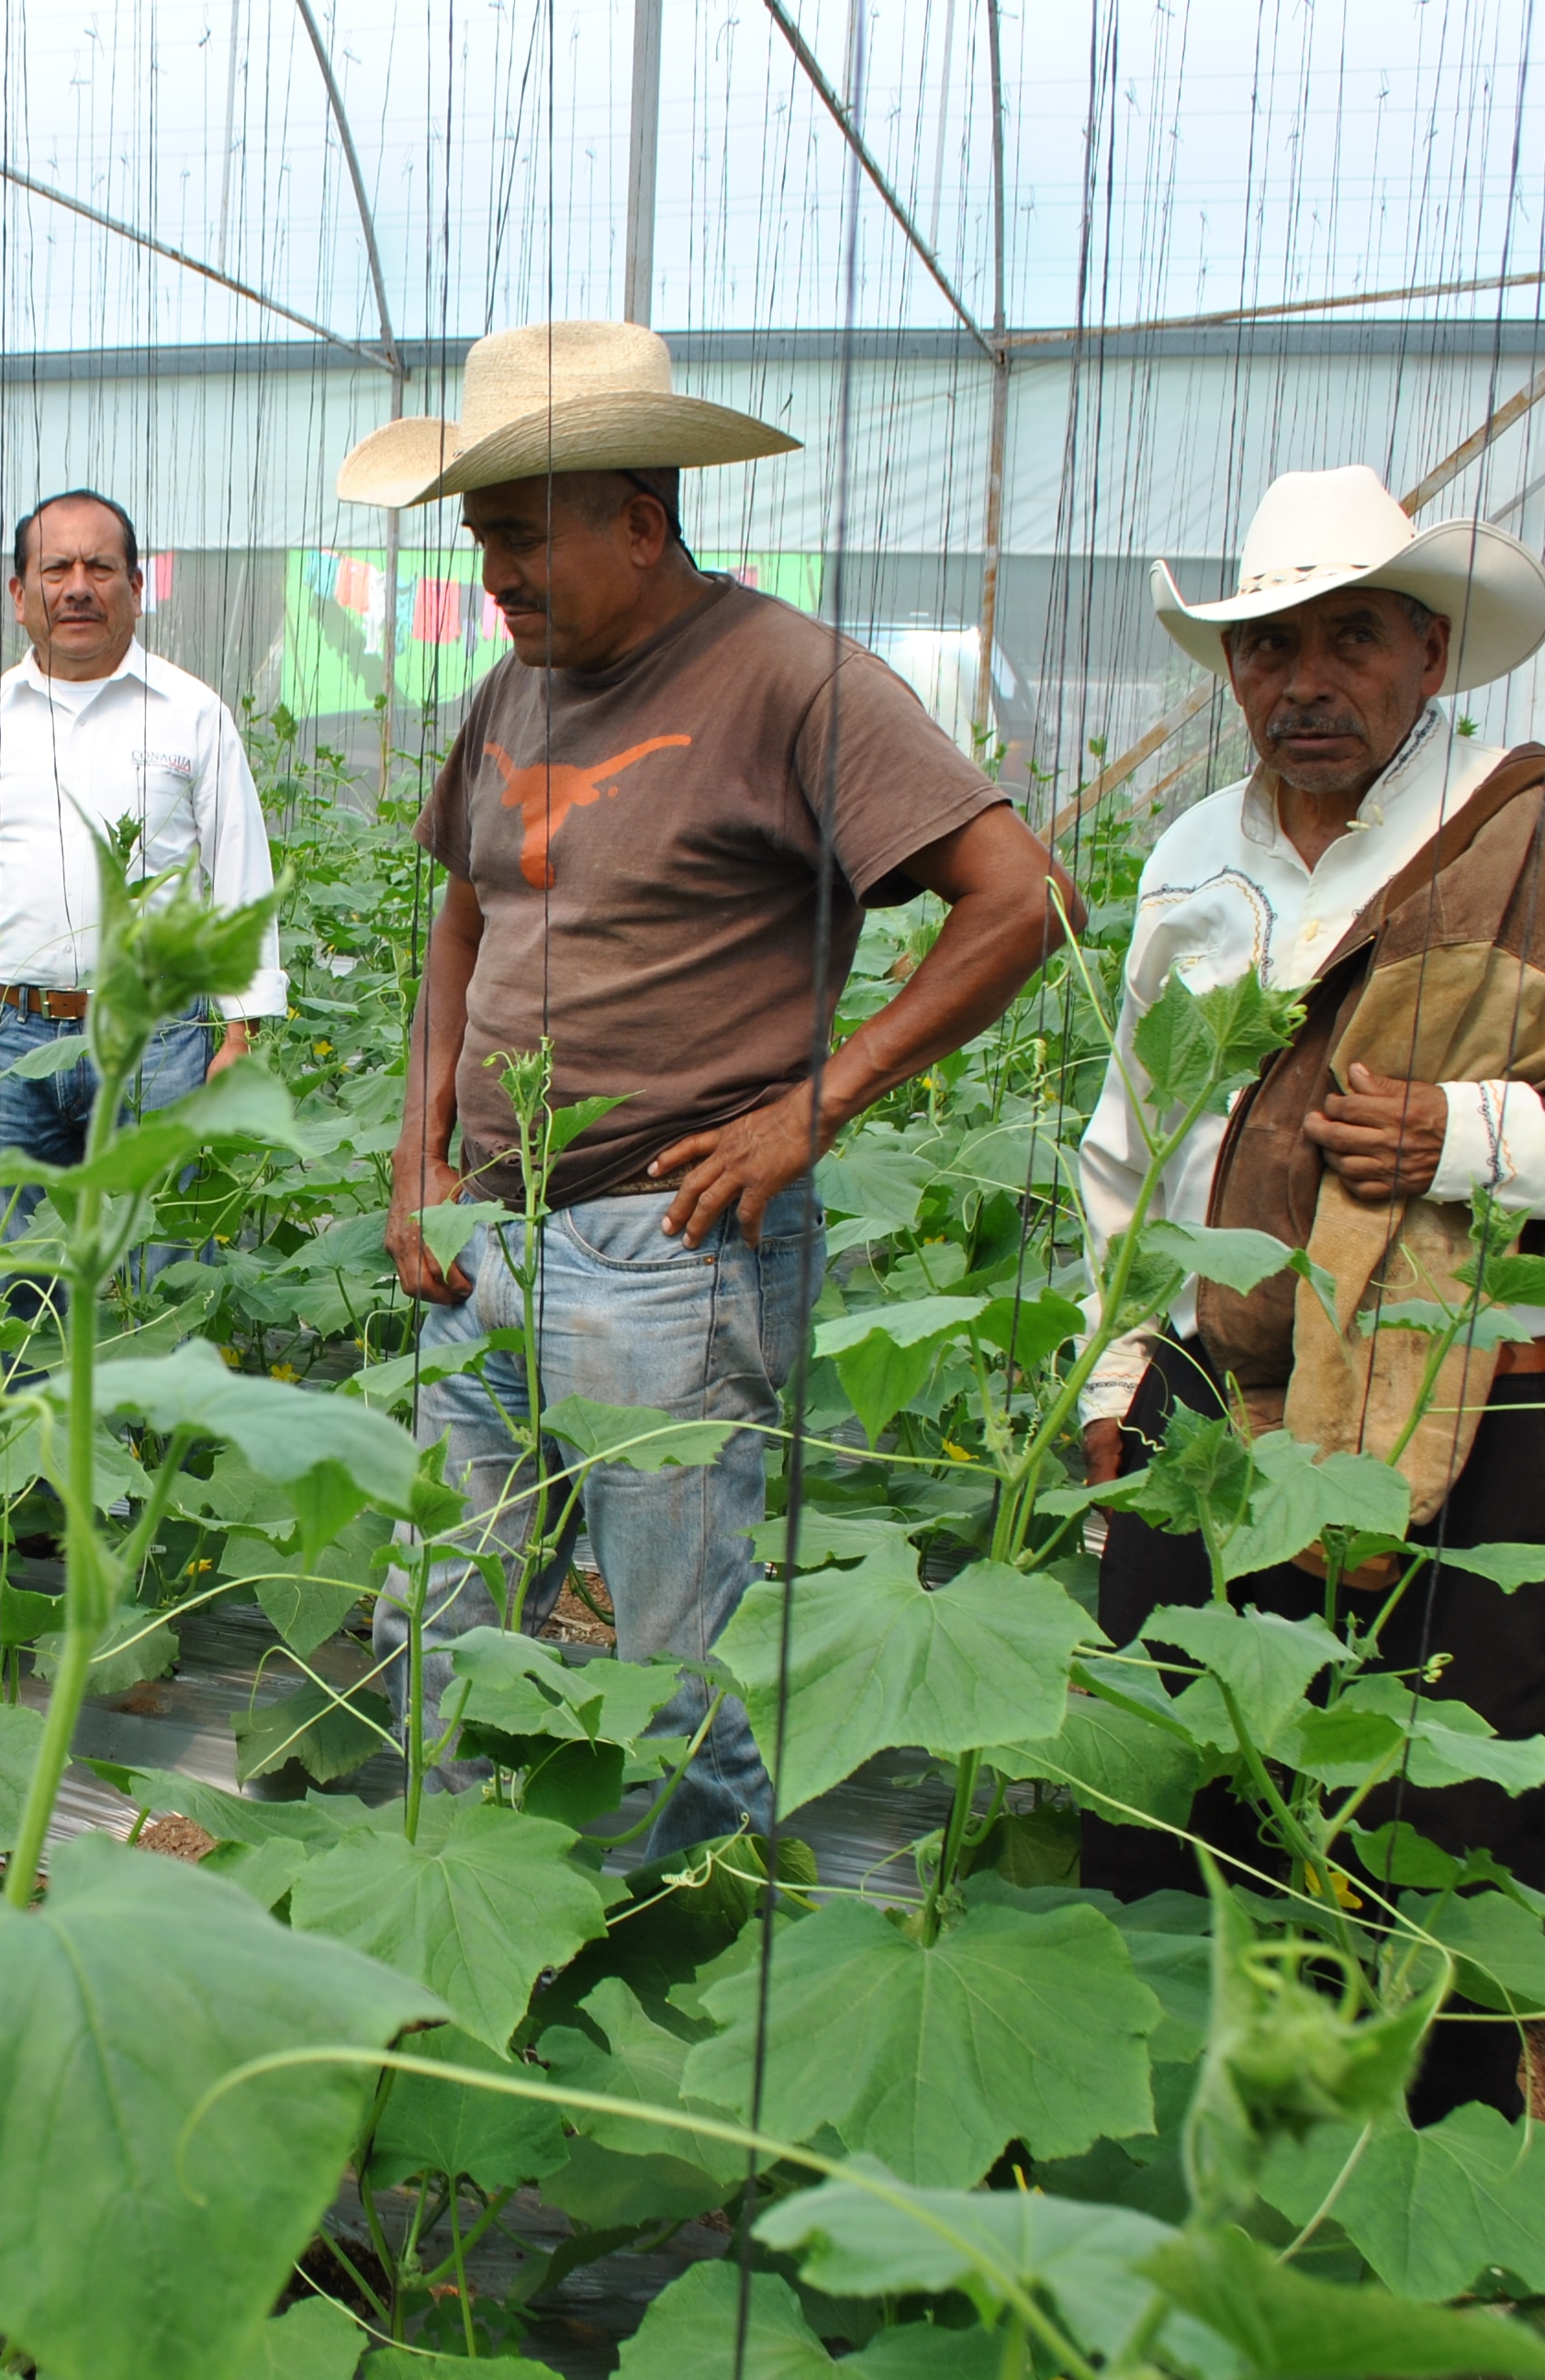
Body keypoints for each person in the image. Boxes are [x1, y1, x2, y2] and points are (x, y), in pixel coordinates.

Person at [1074, 464, 1545, 2118]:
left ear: (1428, 651)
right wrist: (1119, 1375)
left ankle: (1410, 2198)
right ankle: (1185, 2190)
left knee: (1439, 1843)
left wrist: (1476, 1134)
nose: (1302, 681)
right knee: (1173, 1805)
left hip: (1474, 1426)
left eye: (1349, 639)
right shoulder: (1192, 857)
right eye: (1266, 648)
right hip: (1211, 1411)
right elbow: (1132, 1147)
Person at [346, 320, 1079, 1854]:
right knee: (440, 1609)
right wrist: (419, 1152)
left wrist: (813, 1108)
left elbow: (1019, 896)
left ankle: (694, 1926)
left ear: (640, 516)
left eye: (524, 536)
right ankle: (454, 1909)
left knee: (678, 1657)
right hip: (489, 1232)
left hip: (667, 1254)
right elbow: (465, 916)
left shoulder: (786, 678)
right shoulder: (508, 694)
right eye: (481, 540)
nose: (495, 576)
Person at [0, 489, 285, 1297]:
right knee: (17, 1281)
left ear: (136, 588)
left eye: (100, 567)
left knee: (163, 1271)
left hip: (157, 1036)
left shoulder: (192, 715)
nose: (78, 587)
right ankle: (42, 1421)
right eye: (55, 567)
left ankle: (151, 1424)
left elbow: (243, 875)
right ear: (18, 595)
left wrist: (241, 1032)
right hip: (7, 1035)